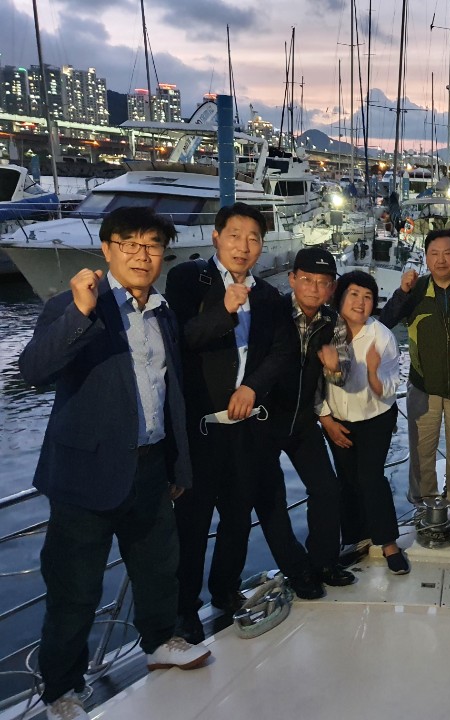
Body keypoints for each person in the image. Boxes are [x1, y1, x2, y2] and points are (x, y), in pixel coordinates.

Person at [19, 207, 211, 720]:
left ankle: (160, 642)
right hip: (84, 476)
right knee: (75, 588)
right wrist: (80, 314)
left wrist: (177, 466)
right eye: (128, 243)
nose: (141, 255)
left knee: (158, 568)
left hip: (150, 466)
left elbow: (170, 394)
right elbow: (34, 370)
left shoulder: (163, 312)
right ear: (106, 250)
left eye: (152, 245)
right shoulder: (74, 305)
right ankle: (62, 689)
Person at [165, 202, 324, 645]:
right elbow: (182, 338)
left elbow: (282, 353)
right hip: (202, 427)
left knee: (237, 518)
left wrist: (252, 387)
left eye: (253, 238)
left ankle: (224, 590)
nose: (243, 246)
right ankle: (184, 610)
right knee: (193, 523)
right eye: (234, 235)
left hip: (249, 425)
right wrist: (224, 310)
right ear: (216, 237)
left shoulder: (269, 295)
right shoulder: (187, 279)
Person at [255, 247, 357, 590]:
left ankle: (324, 562)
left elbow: (340, 378)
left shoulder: (332, 321)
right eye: (307, 279)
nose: (315, 288)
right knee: (271, 500)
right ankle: (296, 571)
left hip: (302, 421)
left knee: (327, 489)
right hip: (264, 422)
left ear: (332, 287)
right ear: (292, 279)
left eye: (323, 282)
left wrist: (334, 367)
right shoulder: (271, 312)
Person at [378, 228, 450, 517]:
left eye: (448, 253)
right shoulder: (415, 290)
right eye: (434, 253)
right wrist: (402, 292)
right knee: (421, 451)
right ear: (425, 257)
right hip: (422, 387)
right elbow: (385, 322)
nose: (441, 260)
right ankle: (423, 502)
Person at [318, 271, 410, 575]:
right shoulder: (325, 330)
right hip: (336, 418)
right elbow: (314, 384)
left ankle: (388, 543)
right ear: (340, 297)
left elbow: (391, 385)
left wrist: (372, 373)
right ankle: (355, 539)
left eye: (368, 297)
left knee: (371, 478)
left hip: (376, 417)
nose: (360, 302)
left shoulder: (381, 337)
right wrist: (326, 420)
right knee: (346, 480)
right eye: (354, 294)